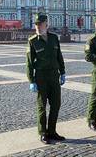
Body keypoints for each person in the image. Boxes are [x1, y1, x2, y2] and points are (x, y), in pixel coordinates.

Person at [26, 12, 66, 144]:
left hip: (54, 75)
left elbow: (59, 56)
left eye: (40, 24)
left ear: (46, 25)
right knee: (42, 106)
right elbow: (30, 63)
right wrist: (31, 81)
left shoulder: (54, 38)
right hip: (41, 77)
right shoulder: (32, 41)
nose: (38, 27)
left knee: (56, 105)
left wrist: (63, 72)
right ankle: (43, 133)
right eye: (36, 24)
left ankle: (52, 131)